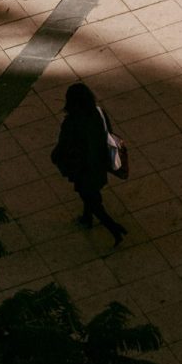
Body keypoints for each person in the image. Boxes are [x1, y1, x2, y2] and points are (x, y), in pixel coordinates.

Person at [50, 82, 127, 245]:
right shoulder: (99, 113)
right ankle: (87, 218)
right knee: (90, 194)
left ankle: (114, 229)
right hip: (98, 164)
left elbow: (63, 146)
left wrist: (55, 157)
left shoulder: (71, 123)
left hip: (82, 169)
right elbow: (108, 133)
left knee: (91, 199)